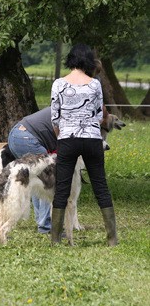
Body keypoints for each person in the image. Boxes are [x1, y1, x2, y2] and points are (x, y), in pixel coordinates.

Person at [50, 43, 118, 246]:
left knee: (62, 188)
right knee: (100, 186)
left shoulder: (58, 84)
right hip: (92, 139)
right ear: (88, 60)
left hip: (67, 139)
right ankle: (112, 238)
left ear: (70, 60)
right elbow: (99, 116)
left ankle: (55, 240)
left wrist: (62, 136)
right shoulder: (95, 84)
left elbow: (55, 118)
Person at [7, 107, 56, 234]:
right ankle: (45, 225)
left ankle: (42, 222)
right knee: (47, 180)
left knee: (36, 179)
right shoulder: (70, 112)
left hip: (16, 135)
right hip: (26, 138)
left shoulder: (63, 105)